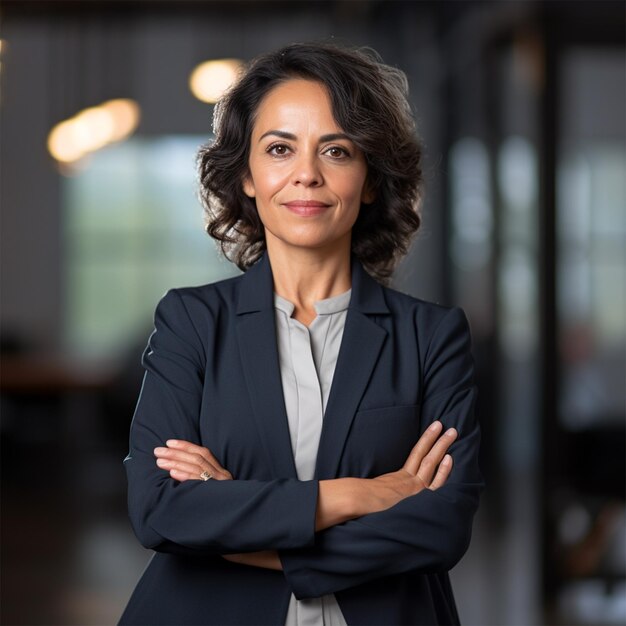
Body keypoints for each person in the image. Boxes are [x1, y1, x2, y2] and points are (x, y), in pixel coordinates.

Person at [119, 42, 482, 626]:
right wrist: (358, 496)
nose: (306, 174)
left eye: (336, 150)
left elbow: (441, 527)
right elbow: (159, 510)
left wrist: (234, 525)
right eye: (280, 149)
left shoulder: (432, 336)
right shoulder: (190, 323)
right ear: (247, 176)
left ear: (368, 180)